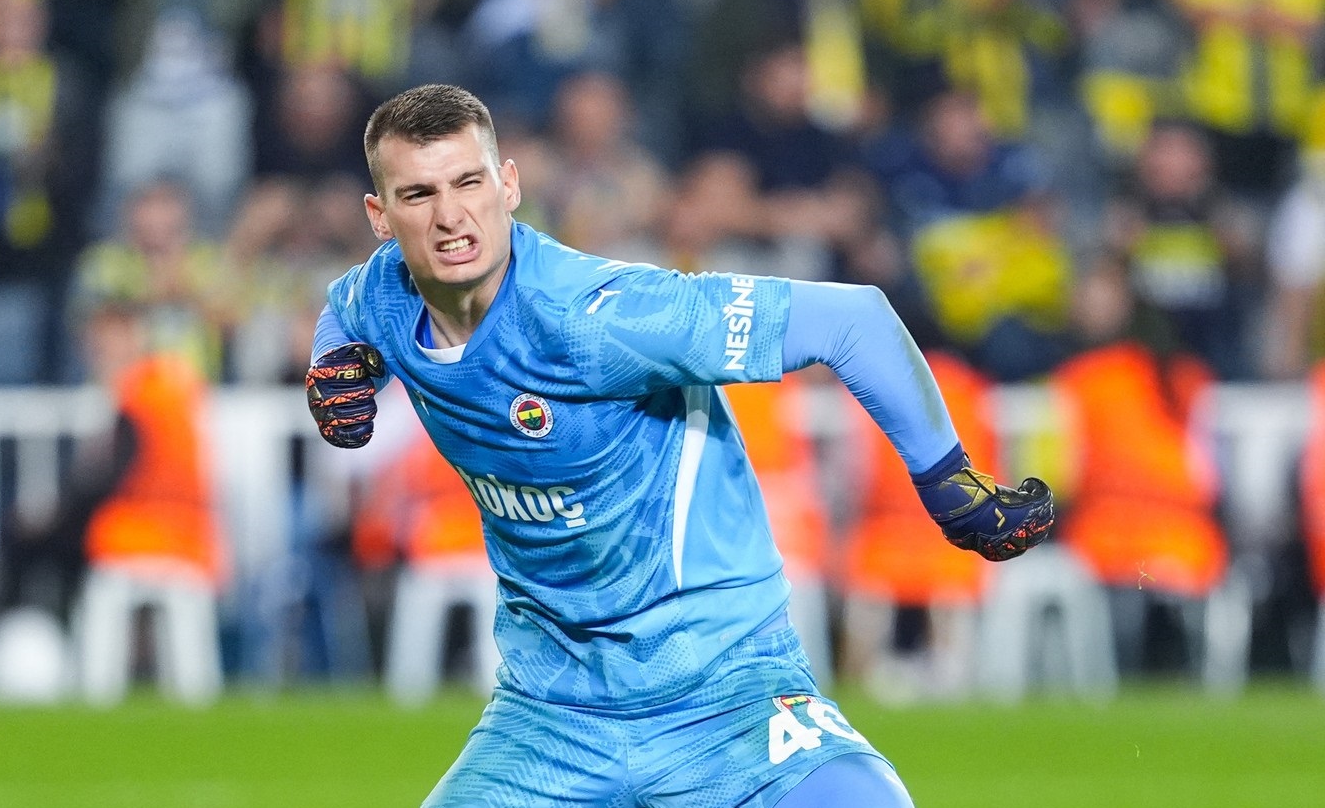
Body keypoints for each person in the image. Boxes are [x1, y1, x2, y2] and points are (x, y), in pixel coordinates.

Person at [304, 84, 1055, 807]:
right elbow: (346, 306)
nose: (449, 216)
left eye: (468, 183)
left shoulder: (602, 319)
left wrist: (947, 478)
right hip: (551, 715)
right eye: (418, 195)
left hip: (725, 692)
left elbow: (853, 319)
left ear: (509, 185)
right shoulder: (385, 292)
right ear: (380, 214)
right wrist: (332, 359)